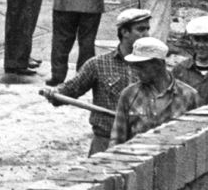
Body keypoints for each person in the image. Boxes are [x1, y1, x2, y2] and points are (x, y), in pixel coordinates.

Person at [43, 8, 151, 155]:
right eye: (141, 30)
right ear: (125, 32)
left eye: (147, 29)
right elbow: (72, 89)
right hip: (105, 142)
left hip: (141, 143)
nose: (147, 34)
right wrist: (55, 93)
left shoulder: (153, 66)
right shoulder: (98, 64)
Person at [110, 37, 200, 145]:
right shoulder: (129, 95)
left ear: (158, 64)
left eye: (141, 67)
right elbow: (117, 139)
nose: (136, 71)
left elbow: (196, 140)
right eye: (135, 67)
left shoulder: (189, 96)